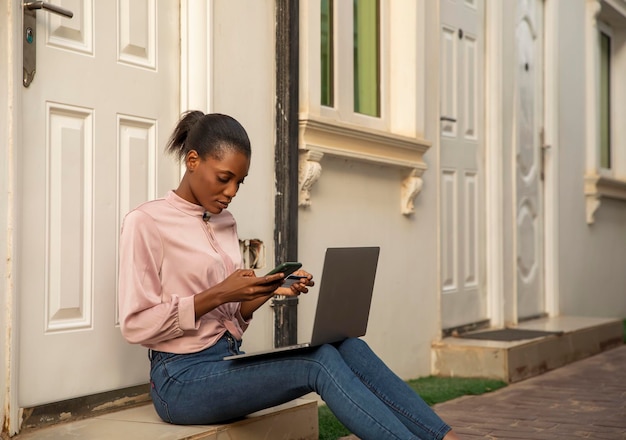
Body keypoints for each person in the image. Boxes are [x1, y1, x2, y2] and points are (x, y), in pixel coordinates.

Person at [118, 111, 462, 440]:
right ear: (193, 161)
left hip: (227, 360)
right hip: (178, 380)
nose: (232, 192)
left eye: (239, 181)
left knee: (346, 345)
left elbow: (230, 317)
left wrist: (264, 289)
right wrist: (221, 293)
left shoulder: (223, 221)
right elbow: (136, 323)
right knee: (319, 362)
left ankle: (446, 436)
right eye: (225, 178)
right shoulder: (146, 223)